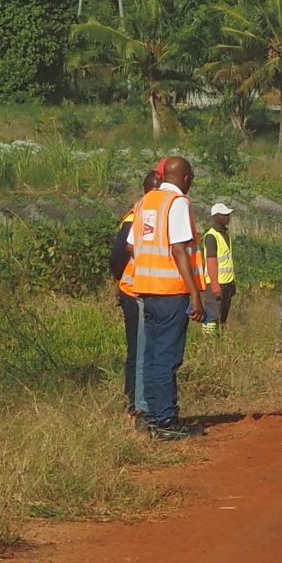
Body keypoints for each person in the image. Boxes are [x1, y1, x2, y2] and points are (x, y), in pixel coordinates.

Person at [127, 156, 206, 440]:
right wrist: (195, 294)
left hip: (147, 291)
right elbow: (178, 250)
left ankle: (151, 416)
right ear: (185, 178)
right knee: (166, 358)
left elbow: (131, 246)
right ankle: (166, 421)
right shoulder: (177, 204)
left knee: (151, 356)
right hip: (172, 292)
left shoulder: (144, 202)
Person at [114, 170, 161, 421]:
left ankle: (138, 401)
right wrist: (123, 282)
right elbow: (118, 257)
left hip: (146, 290)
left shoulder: (146, 215)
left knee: (143, 350)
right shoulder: (136, 219)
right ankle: (135, 403)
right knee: (138, 351)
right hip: (134, 292)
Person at [203, 201, 237, 334]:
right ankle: (208, 344)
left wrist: (232, 283)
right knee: (211, 317)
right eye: (224, 215)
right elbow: (211, 262)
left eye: (228, 215)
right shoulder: (211, 236)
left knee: (222, 317)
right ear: (216, 216)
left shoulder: (225, 234)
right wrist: (216, 286)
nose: (228, 217)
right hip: (216, 284)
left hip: (227, 282)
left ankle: (218, 342)